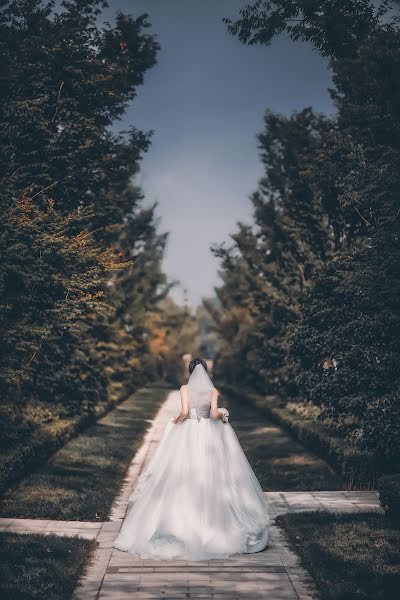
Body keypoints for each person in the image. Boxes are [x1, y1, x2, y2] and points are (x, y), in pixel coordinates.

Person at [113, 357, 269, 559]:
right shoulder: (213, 392)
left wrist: (175, 420)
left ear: (190, 372)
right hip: (208, 434)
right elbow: (213, 414)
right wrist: (222, 414)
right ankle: (215, 524)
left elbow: (185, 413)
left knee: (181, 473)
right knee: (212, 473)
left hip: (188, 434)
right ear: (205, 372)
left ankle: (178, 524)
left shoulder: (184, 389)